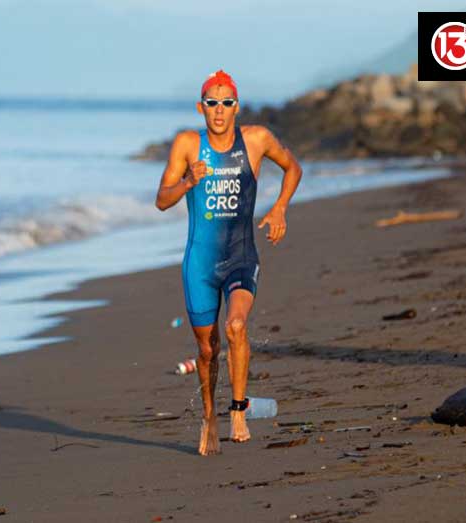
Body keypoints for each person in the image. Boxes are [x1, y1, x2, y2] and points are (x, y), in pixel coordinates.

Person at [154, 70, 302, 456]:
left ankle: (237, 410)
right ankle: (209, 415)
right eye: (211, 103)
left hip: (240, 256)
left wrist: (281, 208)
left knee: (236, 326)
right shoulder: (188, 144)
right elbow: (162, 199)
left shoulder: (255, 140)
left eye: (225, 103)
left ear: (235, 106)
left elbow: (293, 167)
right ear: (201, 107)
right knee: (206, 350)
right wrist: (188, 180)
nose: (218, 111)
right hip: (199, 264)